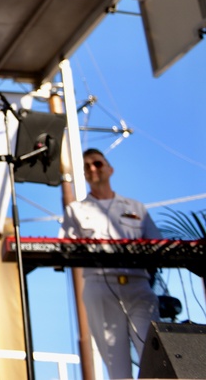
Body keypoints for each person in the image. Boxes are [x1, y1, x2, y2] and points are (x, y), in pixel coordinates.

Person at [61, 148, 161, 379]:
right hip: (99, 286)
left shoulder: (135, 207)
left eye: (97, 163)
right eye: (87, 166)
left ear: (110, 168)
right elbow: (65, 247)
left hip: (138, 285)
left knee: (154, 354)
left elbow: (156, 244)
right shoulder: (76, 209)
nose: (92, 169)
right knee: (116, 365)